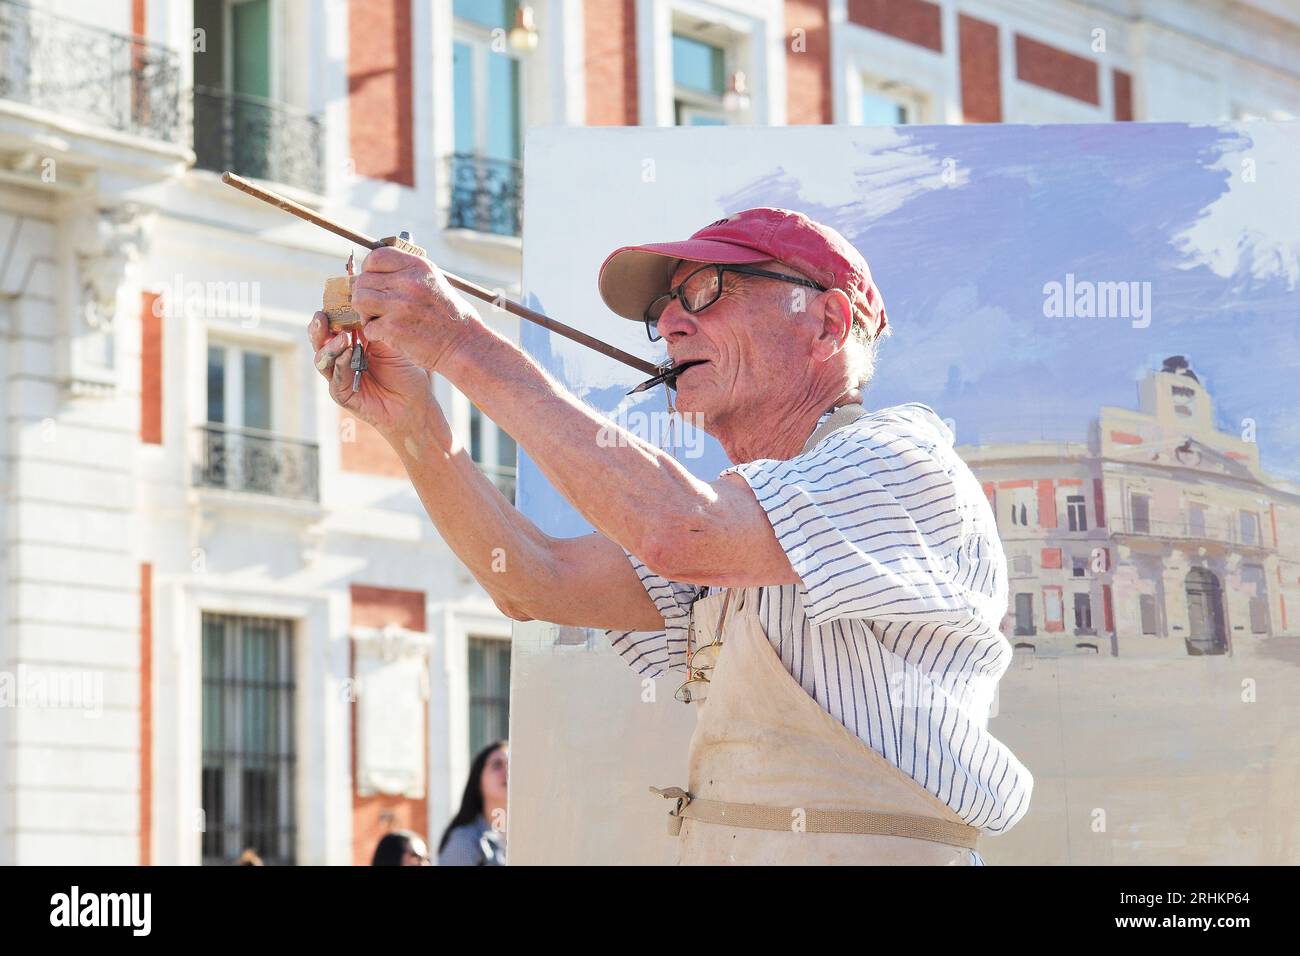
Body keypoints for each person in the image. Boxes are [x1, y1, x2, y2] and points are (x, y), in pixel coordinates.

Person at [308, 206, 1033, 865]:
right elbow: (529, 578)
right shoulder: (742, 520)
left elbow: (677, 530)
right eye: (667, 308)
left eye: (709, 291)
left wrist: (460, 343)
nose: (673, 325)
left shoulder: (896, 458)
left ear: (828, 325)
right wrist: (411, 422)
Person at [436, 741, 508, 866]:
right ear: (478, 782)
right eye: (497, 765)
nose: (507, 771)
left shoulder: (527, 834)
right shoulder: (463, 841)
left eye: (511, 765)